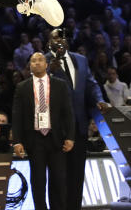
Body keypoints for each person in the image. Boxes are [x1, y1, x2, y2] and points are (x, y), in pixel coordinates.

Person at [46, 28, 111, 210]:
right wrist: (49, 73)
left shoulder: (81, 60)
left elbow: (91, 84)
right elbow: (36, 89)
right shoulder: (43, 60)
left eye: (63, 37)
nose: (59, 41)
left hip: (79, 127)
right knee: (58, 177)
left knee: (76, 175)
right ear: (48, 42)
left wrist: (99, 100)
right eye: (55, 38)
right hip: (55, 129)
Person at [12, 52, 74, 210]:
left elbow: (68, 113)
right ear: (30, 66)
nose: (37, 63)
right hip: (34, 139)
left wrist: (70, 137)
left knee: (59, 180)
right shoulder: (22, 87)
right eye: (33, 61)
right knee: (38, 182)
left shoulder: (60, 84)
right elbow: (17, 116)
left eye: (40, 60)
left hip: (56, 139)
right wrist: (17, 141)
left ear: (46, 64)